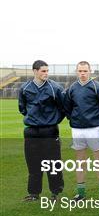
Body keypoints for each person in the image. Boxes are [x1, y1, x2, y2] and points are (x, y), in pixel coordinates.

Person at [63, 61, 99, 201]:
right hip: (77, 129)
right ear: (76, 71)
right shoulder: (72, 88)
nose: (82, 73)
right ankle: (81, 193)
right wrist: (74, 120)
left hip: (94, 129)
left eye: (85, 71)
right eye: (80, 71)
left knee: (98, 162)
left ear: (90, 71)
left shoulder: (98, 87)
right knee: (80, 162)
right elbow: (67, 107)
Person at [18, 60, 65, 201]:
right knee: (33, 164)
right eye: (43, 71)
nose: (46, 73)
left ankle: (55, 193)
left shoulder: (55, 88)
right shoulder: (25, 88)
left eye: (47, 71)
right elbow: (22, 107)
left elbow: (62, 108)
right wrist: (33, 119)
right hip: (31, 131)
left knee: (53, 164)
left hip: (49, 131)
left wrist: (52, 120)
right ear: (35, 71)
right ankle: (34, 193)